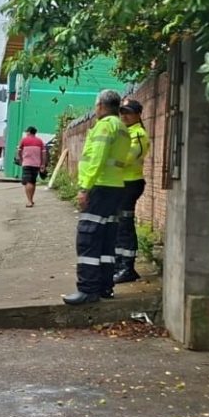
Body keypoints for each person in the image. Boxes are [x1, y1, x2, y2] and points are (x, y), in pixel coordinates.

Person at [64, 89, 130, 305]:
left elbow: (98, 159)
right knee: (106, 239)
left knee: (88, 238)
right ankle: (104, 287)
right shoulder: (122, 128)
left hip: (100, 187)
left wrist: (84, 188)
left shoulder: (104, 126)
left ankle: (88, 289)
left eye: (96, 105)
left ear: (101, 105)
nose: (95, 109)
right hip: (115, 188)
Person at [113, 98, 152, 285]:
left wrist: (106, 159)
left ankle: (127, 267)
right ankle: (119, 264)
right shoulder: (125, 132)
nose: (124, 116)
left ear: (138, 114)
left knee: (125, 225)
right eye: (122, 112)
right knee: (118, 225)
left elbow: (125, 159)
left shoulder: (138, 135)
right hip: (121, 183)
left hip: (130, 184)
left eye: (128, 112)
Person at [17, 126, 45, 208]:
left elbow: (19, 151)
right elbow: (43, 154)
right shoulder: (40, 141)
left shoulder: (24, 140)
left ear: (29, 132)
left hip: (27, 164)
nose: (26, 133)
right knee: (33, 182)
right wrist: (42, 164)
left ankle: (29, 201)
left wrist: (21, 159)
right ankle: (31, 199)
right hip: (36, 164)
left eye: (26, 132)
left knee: (28, 182)